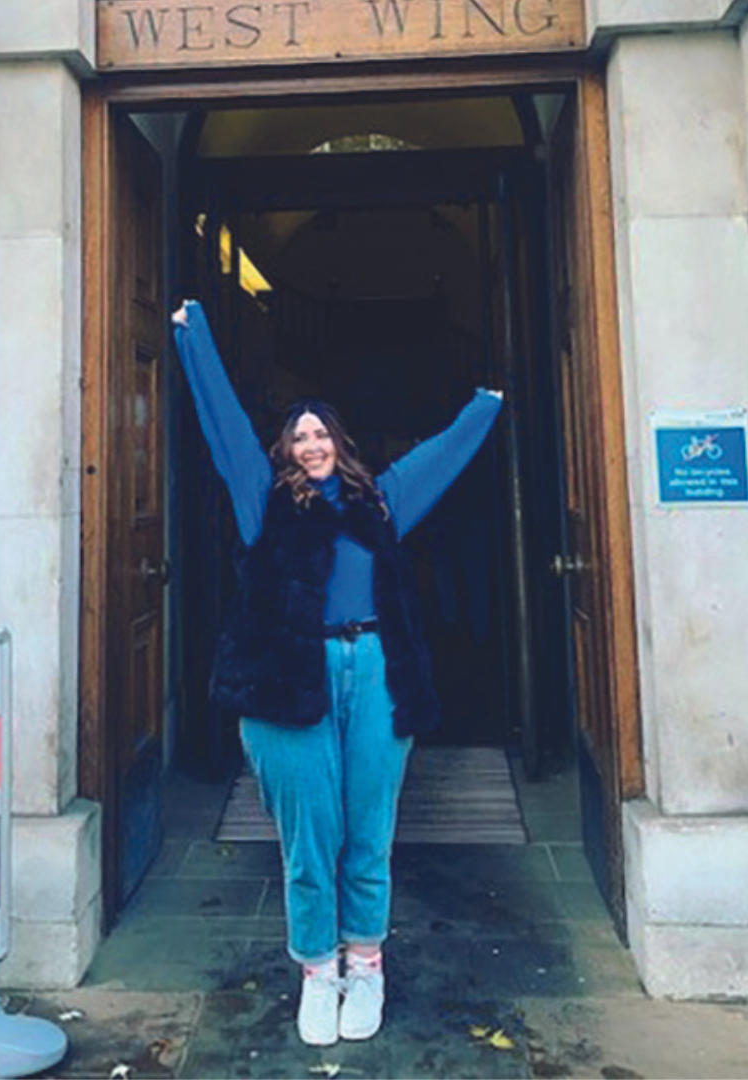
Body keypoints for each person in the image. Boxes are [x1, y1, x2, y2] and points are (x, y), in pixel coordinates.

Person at [171, 299, 503, 1046]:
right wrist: (192, 332)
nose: (312, 444)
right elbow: (223, 426)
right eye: (299, 436)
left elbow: (440, 457)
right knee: (309, 837)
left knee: (368, 830)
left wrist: (486, 406)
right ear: (283, 451)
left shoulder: (378, 504)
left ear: (339, 444)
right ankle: (317, 972)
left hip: (376, 671)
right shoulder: (263, 504)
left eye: (322, 433)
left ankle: (366, 963)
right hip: (291, 679)